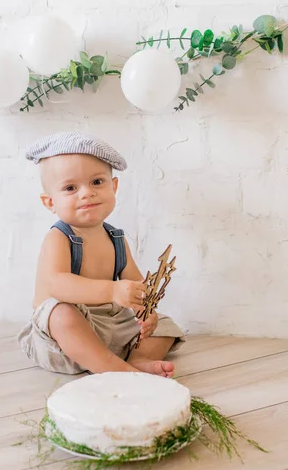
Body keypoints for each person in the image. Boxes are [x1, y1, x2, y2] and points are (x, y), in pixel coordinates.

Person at [18, 131, 184, 376]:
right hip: (63, 341)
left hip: (110, 325)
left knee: (165, 326)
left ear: (113, 187)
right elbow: (57, 285)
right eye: (70, 187)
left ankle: (137, 359)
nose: (86, 193)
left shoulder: (116, 238)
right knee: (61, 314)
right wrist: (112, 290)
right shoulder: (59, 237)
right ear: (50, 202)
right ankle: (116, 370)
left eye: (97, 182)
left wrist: (144, 312)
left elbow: (137, 283)